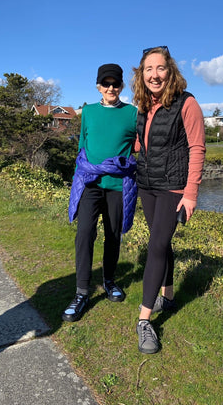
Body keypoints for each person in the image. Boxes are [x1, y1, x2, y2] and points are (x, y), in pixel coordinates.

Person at [131, 46, 206, 353]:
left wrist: (190, 194)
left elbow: (197, 148)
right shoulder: (143, 105)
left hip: (173, 186)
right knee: (161, 242)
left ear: (170, 71)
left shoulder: (186, 103)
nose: (154, 75)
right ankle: (170, 297)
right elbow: (143, 142)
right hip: (147, 185)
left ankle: (145, 320)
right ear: (142, 74)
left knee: (157, 246)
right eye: (149, 69)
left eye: (160, 68)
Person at [63, 63, 137, 322]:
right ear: (98, 87)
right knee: (84, 233)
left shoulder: (132, 114)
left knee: (113, 235)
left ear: (121, 86)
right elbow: (82, 147)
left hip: (118, 186)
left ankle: (109, 280)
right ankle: (82, 291)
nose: (111, 88)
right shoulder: (88, 113)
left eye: (115, 83)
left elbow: (140, 146)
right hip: (90, 185)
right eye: (106, 84)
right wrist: (77, 179)